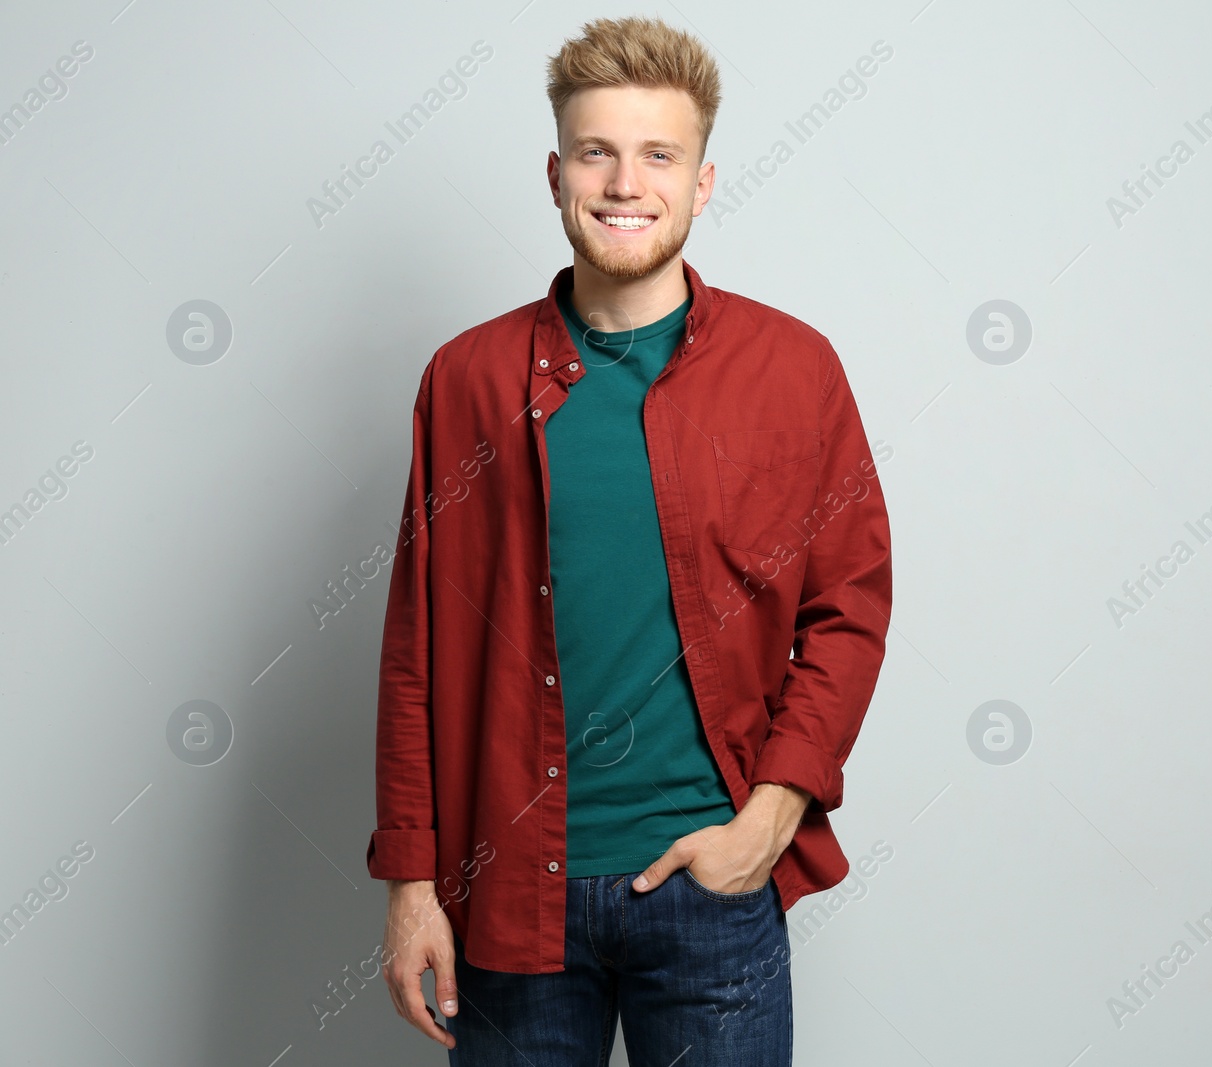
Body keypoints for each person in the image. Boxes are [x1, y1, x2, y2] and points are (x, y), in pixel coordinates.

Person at [366, 15, 893, 1066]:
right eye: (598, 152)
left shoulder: (795, 369)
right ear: (556, 171)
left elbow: (850, 610)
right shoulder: (465, 380)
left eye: (659, 155)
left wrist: (770, 818)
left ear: (701, 183)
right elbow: (417, 651)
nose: (624, 183)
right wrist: (413, 884)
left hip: (710, 892)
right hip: (512, 890)